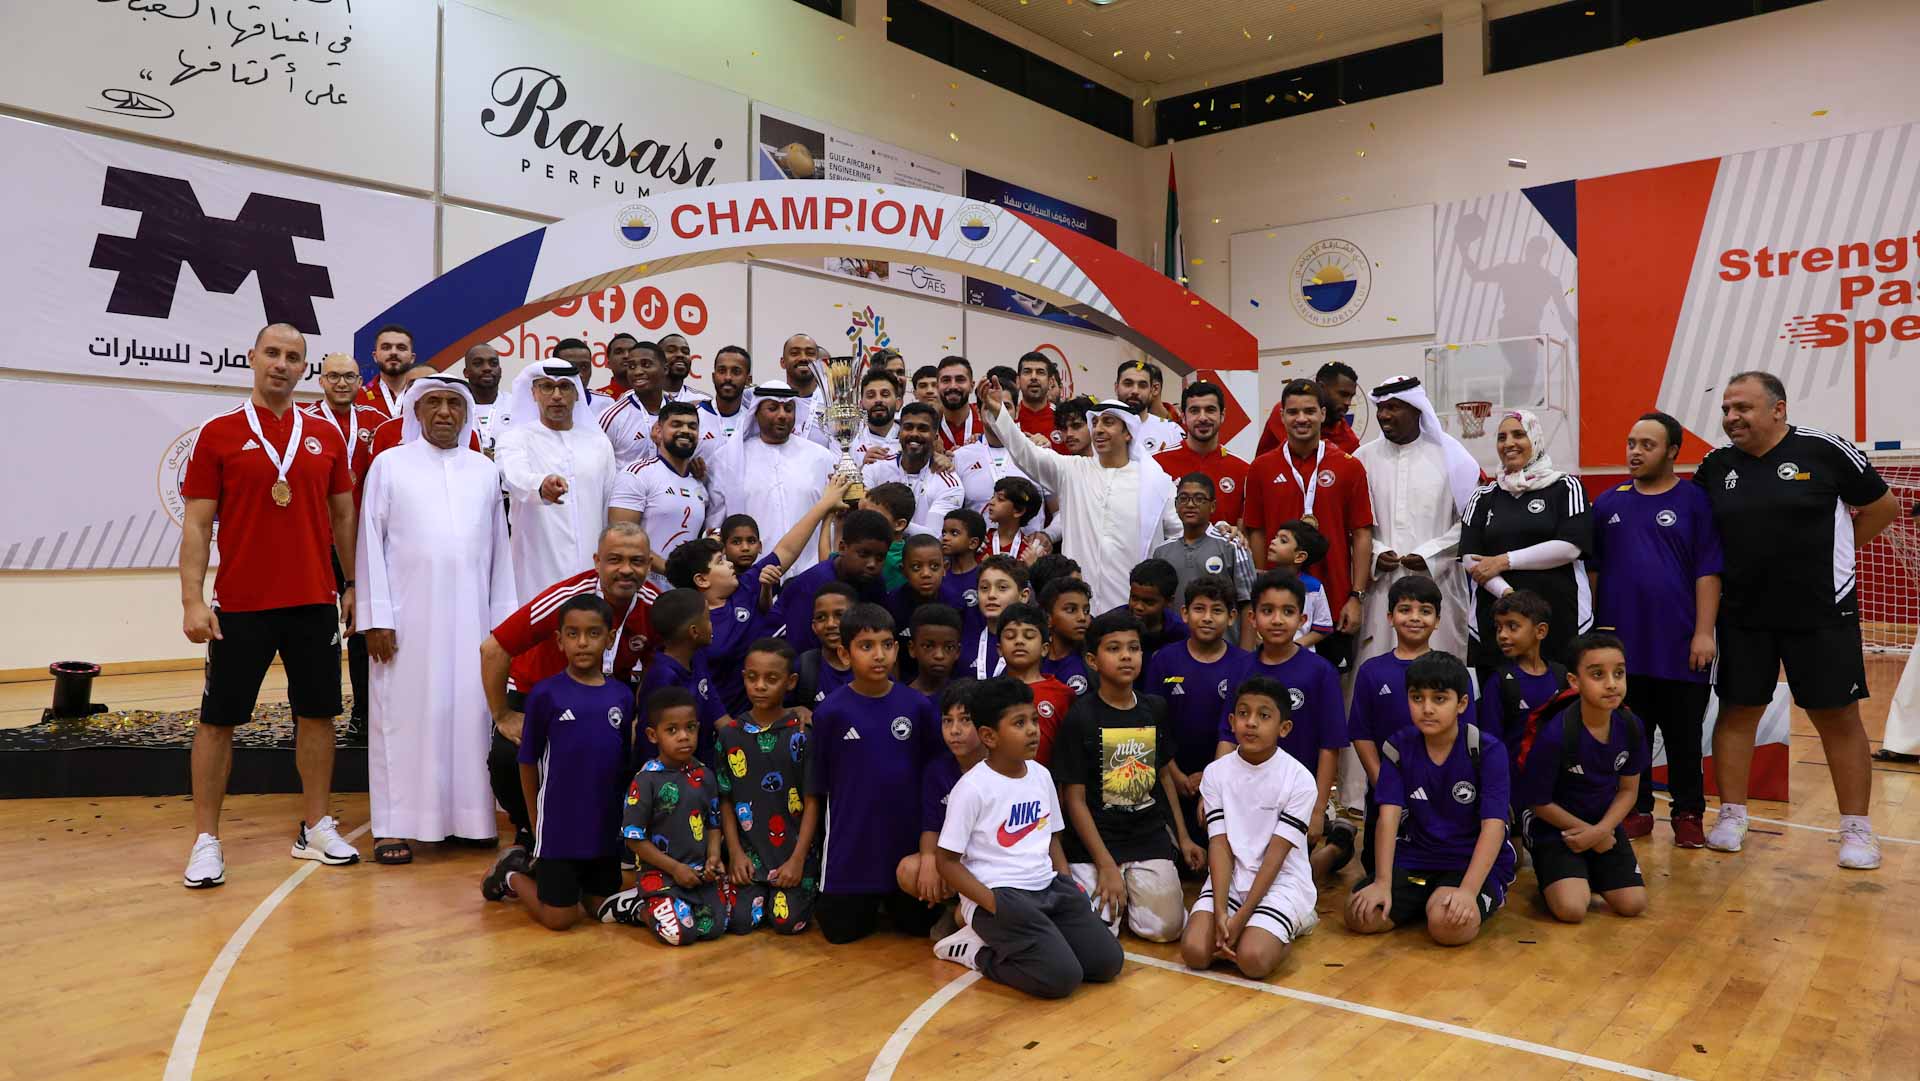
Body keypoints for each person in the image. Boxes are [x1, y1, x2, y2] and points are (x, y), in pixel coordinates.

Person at [179, 324, 361, 890]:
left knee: (318, 715)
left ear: (305, 369)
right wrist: (191, 600)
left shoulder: (324, 435)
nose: (281, 364)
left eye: (293, 357)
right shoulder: (218, 434)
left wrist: (352, 584)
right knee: (217, 722)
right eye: (273, 354)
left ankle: (314, 826)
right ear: (253, 359)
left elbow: (344, 518)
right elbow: (196, 524)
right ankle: (206, 840)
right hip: (241, 604)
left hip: (312, 600)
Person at [1693, 372, 1899, 866]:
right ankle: (1732, 815)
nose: (1731, 418)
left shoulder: (1826, 450)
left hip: (1822, 613)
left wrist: (1835, 561)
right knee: (1738, 710)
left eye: (1742, 407)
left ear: (1778, 409)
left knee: (1837, 716)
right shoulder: (1715, 465)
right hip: (1742, 615)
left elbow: (1883, 507)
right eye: (1726, 409)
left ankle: (1856, 830)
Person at [355, 376, 516, 864]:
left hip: (471, 621)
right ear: (417, 412)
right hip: (405, 622)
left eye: (453, 404)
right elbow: (369, 544)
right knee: (401, 718)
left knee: (467, 716)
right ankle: (393, 826)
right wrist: (376, 617)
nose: (444, 413)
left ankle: (469, 821)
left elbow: (499, 556)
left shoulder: (484, 471)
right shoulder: (389, 465)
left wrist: (502, 629)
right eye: (434, 404)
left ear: (466, 413)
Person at [932, 678, 1126, 999]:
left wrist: (1068, 884)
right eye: (1019, 723)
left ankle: (1040, 937)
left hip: (1048, 887)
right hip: (1001, 896)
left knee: (1106, 963)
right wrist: (991, 904)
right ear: (989, 736)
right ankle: (975, 951)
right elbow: (946, 861)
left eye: (1034, 720)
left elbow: (1051, 838)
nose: (1033, 730)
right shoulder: (971, 788)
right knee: (1061, 978)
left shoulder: (1041, 774)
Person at [1591, 411, 1722, 847]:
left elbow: (1708, 570)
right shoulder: (1608, 503)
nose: (1635, 452)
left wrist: (1705, 632)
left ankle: (1688, 812)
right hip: (1623, 647)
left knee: (1684, 736)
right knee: (1632, 734)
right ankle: (1638, 809)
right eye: (1631, 443)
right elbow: (1592, 572)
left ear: (1672, 451)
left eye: (1647, 444)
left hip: (1681, 642)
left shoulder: (1695, 501)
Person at [480, 523, 656, 847]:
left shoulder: (654, 605)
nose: (626, 570)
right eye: (615, 559)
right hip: (539, 695)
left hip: (609, 697)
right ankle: (529, 827)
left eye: (637, 561)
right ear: (597, 561)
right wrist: (503, 715)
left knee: (648, 744)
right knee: (508, 756)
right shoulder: (566, 598)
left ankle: (620, 829)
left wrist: (640, 717)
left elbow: (657, 666)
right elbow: (493, 649)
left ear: (649, 563)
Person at [480, 596, 632, 929]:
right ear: (559, 640)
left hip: (604, 826)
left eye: (593, 634)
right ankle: (512, 876)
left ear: (610, 638)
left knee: (600, 908)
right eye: (573, 634)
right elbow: (527, 761)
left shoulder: (622, 696)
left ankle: (568, 882)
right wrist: (537, 825)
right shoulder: (546, 695)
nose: (582, 642)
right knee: (560, 918)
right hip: (559, 827)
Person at [1345, 652, 1516, 946]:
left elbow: (1493, 827)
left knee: (1448, 927)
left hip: (1466, 862)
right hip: (1417, 861)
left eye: (1439, 699)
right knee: (1359, 914)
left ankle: (1466, 898)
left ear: (1461, 703)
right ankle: (1426, 899)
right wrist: (1383, 883)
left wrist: (1467, 891)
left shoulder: (1487, 750)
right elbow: (1388, 817)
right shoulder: (1398, 747)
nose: (1427, 709)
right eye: (1417, 698)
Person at [978, 379, 1179, 614]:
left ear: (1128, 433)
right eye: (1095, 423)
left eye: (1109, 422)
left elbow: (1176, 536)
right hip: (1079, 610)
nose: (1099, 429)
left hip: (1133, 607)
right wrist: (998, 411)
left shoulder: (1155, 482)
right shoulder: (1073, 470)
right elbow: (1026, 453)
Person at [1053, 610, 1194, 942]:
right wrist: (1104, 863)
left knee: (1165, 930)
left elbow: (1162, 778)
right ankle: (1118, 892)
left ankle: (1139, 892)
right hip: (1095, 844)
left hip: (1147, 837)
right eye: (1114, 649)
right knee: (1098, 933)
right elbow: (1073, 800)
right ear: (1093, 659)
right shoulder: (1080, 717)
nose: (1126, 656)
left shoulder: (1154, 708)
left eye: (1133, 647)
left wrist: (1183, 837)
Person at [809, 604, 942, 943]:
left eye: (886, 644)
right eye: (866, 646)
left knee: (917, 929)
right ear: (844, 652)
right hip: (851, 848)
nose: (878, 655)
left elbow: (934, 777)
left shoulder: (918, 707)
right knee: (839, 933)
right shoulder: (830, 712)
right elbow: (818, 787)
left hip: (906, 845)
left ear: (897, 648)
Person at [664, 482, 848, 715]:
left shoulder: (747, 585)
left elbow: (787, 549)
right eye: (720, 561)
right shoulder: (694, 627)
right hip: (723, 725)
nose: (730, 563)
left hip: (768, 715)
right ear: (702, 580)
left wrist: (824, 505)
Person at [1183, 677, 1322, 979]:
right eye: (1243, 714)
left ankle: (1297, 921)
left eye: (1264, 716)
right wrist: (1222, 911)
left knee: (1253, 960)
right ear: (1232, 722)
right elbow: (1218, 844)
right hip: (1231, 878)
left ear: (1284, 728)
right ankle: (1246, 927)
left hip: (1281, 881)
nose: (1251, 723)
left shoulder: (1298, 779)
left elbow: (1276, 856)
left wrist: (1242, 918)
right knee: (1194, 952)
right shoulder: (1216, 772)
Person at [1213, 572, 1347, 871]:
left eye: (1287, 612)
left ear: (1302, 620)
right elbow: (1227, 734)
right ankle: (1335, 845)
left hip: (1297, 797)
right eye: (1267, 611)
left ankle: (1335, 841)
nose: (1277, 620)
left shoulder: (1320, 672)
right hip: (1246, 791)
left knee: (1282, 871)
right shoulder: (1241, 668)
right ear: (1252, 618)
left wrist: (1315, 810)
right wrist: (1215, 790)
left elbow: (1330, 746)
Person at [1517, 633, 1650, 923]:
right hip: (1557, 827)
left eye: (1619, 673)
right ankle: (1552, 865)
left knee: (1633, 904)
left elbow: (1628, 791)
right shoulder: (1556, 734)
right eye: (1597, 675)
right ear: (1574, 682)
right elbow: (1538, 803)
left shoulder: (1631, 725)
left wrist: (1600, 832)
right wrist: (1589, 833)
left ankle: (1588, 871)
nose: (1612, 683)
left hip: (1603, 827)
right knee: (1572, 909)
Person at [1244, 378, 1374, 670]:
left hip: (1336, 598)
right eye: (1293, 412)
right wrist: (1260, 589)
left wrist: (1356, 596)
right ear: (1282, 417)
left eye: (1309, 411)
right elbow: (1256, 531)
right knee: (1272, 682)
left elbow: (1362, 534)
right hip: (1277, 602)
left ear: (1323, 414)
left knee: (1331, 685)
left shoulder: (1349, 466)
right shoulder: (1261, 468)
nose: (1301, 419)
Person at [1353, 375, 1481, 668]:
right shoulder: (1361, 459)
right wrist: (1374, 553)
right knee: (1375, 668)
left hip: (1440, 582)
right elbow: (1353, 524)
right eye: (1381, 408)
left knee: (1440, 671)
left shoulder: (1453, 458)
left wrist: (1428, 554)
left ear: (1417, 410)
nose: (1384, 415)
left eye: (1394, 407)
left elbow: (1470, 524)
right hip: (1380, 585)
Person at [1460, 409, 1592, 671]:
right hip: (1496, 621)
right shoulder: (1483, 496)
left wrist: (1504, 561)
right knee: (1496, 702)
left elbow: (1570, 547)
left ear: (1536, 438)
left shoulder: (1566, 487)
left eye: (1518, 434)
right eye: (1501, 437)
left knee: (1561, 700)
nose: (1508, 443)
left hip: (1561, 617)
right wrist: (1509, 595)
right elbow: (1470, 559)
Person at [1347, 575, 1452, 877]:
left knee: (1435, 865)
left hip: (1438, 787)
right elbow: (1361, 733)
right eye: (1406, 610)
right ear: (1390, 617)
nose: (1415, 618)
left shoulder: (1450, 670)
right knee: (1377, 868)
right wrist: (1383, 781)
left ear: (1438, 620)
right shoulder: (1372, 671)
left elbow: (1463, 732)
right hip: (1386, 786)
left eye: (1425, 611)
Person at [716, 638, 820, 934]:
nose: (760, 685)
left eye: (771, 679)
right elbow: (725, 798)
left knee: (786, 923)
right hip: (749, 857)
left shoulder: (801, 734)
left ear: (790, 682)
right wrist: (735, 853)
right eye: (752, 677)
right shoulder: (730, 734)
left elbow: (813, 799)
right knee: (739, 922)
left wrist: (798, 860)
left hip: (792, 856)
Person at [304, 352, 383, 736]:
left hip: (362, 543)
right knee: (312, 630)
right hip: (314, 543)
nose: (341, 383)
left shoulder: (376, 424)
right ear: (321, 379)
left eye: (349, 377)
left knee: (361, 631)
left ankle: (363, 714)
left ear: (360, 381)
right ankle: (306, 717)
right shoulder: (303, 420)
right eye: (333, 376)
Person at [495, 361, 617, 604]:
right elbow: (514, 477)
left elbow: (608, 504)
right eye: (547, 387)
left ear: (577, 394)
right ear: (534, 393)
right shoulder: (515, 438)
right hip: (536, 568)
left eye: (565, 387)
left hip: (589, 568)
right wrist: (541, 485)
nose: (557, 396)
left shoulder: (599, 443)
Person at [618, 687, 732, 945]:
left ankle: (678, 905)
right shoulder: (646, 780)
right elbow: (633, 839)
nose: (684, 737)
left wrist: (714, 856)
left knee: (716, 928)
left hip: (698, 876)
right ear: (652, 735)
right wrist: (675, 868)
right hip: (662, 875)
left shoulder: (705, 775)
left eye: (690, 728)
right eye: (672, 730)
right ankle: (639, 907)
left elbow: (714, 823)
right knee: (679, 935)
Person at [1142, 575, 1246, 844]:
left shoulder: (1244, 665)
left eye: (1218, 610)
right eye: (1200, 609)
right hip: (1170, 775)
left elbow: (1240, 732)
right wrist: (1174, 774)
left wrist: (1211, 778)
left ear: (1232, 617)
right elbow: (1152, 723)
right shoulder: (1164, 660)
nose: (1208, 617)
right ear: (1185, 613)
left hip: (1227, 777)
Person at [709, 380, 839, 576]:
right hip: (753, 576)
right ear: (755, 412)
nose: (782, 415)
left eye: (788, 409)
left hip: (811, 571)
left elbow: (834, 519)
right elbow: (717, 523)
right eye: (773, 408)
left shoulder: (821, 457)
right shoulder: (728, 458)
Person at [900, 681, 984, 931]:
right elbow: (931, 826)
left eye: (965, 720)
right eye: (948, 721)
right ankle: (950, 910)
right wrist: (928, 860)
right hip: (955, 861)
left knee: (966, 918)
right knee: (909, 869)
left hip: (992, 867)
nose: (955, 730)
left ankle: (964, 916)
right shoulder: (937, 770)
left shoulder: (999, 766)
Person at [1476, 590, 1564, 794]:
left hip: (1556, 788)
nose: (1503, 635)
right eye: (1498, 628)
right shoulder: (1499, 682)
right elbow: (1491, 744)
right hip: (1513, 787)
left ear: (1540, 631)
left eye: (1512, 627)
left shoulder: (1561, 676)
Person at [768, 507, 891, 654]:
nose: (872, 564)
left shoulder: (875, 581)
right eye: (864, 554)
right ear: (842, 547)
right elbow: (799, 647)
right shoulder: (816, 583)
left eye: (880, 558)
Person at [609, 400, 712, 567]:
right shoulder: (637, 474)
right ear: (658, 430)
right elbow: (622, 539)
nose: (685, 431)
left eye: (692, 426)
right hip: (642, 588)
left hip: (683, 590)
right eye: (676, 424)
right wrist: (670, 572)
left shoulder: (699, 486)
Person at [634, 588, 730, 765]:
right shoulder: (663, 677)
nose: (711, 625)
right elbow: (648, 739)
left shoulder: (698, 656)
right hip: (672, 778)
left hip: (702, 765)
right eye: (708, 619)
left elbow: (714, 706)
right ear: (694, 632)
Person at [1154, 474, 1255, 611]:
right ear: (1176, 505)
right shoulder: (1162, 551)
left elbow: (1248, 601)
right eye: (1183, 498)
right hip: (1177, 632)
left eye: (1199, 499)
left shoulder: (1233, 545)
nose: (1190, 504)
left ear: (1212, 506)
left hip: (1222, 632)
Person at [1154, 382, 1250, 526]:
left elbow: (1244, 533)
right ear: (1183, 416)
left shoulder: (1243, 470)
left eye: (1210, 410)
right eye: (1194, 411)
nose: (1203, 417)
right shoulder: (1157, 465)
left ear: (1222, 415)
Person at [863, 402, 965, 536]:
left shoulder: (950, 484)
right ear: (899, 433)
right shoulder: (876, 466)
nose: (914, 434)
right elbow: (862, 510)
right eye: (908, 427)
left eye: (923, 429)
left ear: (935, 437)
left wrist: (887, 520)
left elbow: (934, 535)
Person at [994, 603, 1075, 765]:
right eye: (1010, 636)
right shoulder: (990, 692)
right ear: (999, 649)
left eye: (1029, 636)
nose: (1019, 642)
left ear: (1045, 649)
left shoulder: (1063, 694)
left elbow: (1069, 753)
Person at [1256, 361, 1360, 457]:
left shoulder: (1349, 441)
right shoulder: (1289, 413)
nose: (1348, 403)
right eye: (1343, 394)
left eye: (1351, 396)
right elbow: (1304, 453)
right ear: (1321, 387)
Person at [1264, 519, 1335, 646]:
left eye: (1283, 540)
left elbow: (1322, 628)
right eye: (1275, 537)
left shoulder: (1313, 587)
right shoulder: (1262, 582)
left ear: (1300, 557)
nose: (1273, 542)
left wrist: (1295, 647)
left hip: (1299, 657)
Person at [598, 339, 669, 467]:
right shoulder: (612, 416)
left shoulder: (678, 412)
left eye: (646, 365)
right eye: (631, 366)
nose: (637, 372)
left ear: (665, 369)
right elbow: (596, 465)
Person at [790, 582, 857, 707]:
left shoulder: (871, 665)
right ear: (814, 627)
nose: (830, 624)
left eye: (839, 615)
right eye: (821, 617)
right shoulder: (802, 667)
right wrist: (796, 711)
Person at [1115, 558, 1188, 661]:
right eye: (1134, 598)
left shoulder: (1181, 634)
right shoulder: (1112, 626)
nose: (1138, 607)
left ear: (1169, 602)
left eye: (1148, 602)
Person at [695, 345, 754, 461]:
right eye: (722, 371)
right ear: (713, 376)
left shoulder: (753, 421)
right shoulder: (695, 417)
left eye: (736, 372)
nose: (728, 377)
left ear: (748, 380)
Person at [1114, 361, 1184, 456]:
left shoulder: (1172, 430)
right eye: (1128, 384)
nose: (1135, 391)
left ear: (1152, 390)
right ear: (1116, 387)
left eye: (1142, 385)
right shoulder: (1098, 429)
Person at [1039, 577, 1094, 696]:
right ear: (1049, 618)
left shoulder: (1093, 662)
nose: (1082, 618)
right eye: (1071, 610)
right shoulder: (1035, 660)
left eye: (1086, 611)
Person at [981, 476, 1047, 563]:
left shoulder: (1030, 551)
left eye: (1000, 499)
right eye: (993, 497)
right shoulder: (981, 542)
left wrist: (1033, 567)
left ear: (1018, 511)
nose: (991, 502)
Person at [356, 323, 415, 418]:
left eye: (401, 348)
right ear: (375, 356)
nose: (393, 352)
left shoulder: (422, 396)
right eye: (386, 347)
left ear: (412, 358)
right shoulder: (358, 398)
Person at [907, 603, 964, 701]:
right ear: (912, 649)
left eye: (949, 647)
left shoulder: (966, 700)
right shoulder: (900, 698)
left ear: (957, 651)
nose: (939, 655)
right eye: (928, 646)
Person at [851, 368, 902, 462]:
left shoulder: (910, 438)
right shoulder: (850, 441)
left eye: (885, 394)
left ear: (898, 403)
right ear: (861, 405)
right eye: (871, 396)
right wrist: (862, 466)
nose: (878, 400)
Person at [462, 344, 506, 455]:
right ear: (466, 372)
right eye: (478, 363)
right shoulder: (457, 407)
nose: (487, 368)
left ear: (500, 371)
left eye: (493, 363)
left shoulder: (515, 405)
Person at [934, 355, 983, 451]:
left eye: (960, 380)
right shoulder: (928, 428)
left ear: (972, 386)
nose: (953, 386)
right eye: (946, 380)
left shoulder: (986, 424)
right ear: (937, 386)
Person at [1013, 352, 1058, 440]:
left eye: (1040, 372)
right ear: (1018, 381)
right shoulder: (1009, 418)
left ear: (1051, 382)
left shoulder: (1062, 419)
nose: (1033, 377)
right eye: (1027, 372)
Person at [660, 334, 708, 403]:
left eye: (685, 352)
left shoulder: (703, 402)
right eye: (671, 350)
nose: (680, 355)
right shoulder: (642, 398)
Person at [596, 333, 638, 401]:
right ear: (608, 364)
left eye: (631, 351)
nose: (626, 356)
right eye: (619, 352)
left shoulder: (655, 395)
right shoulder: (596, 399)